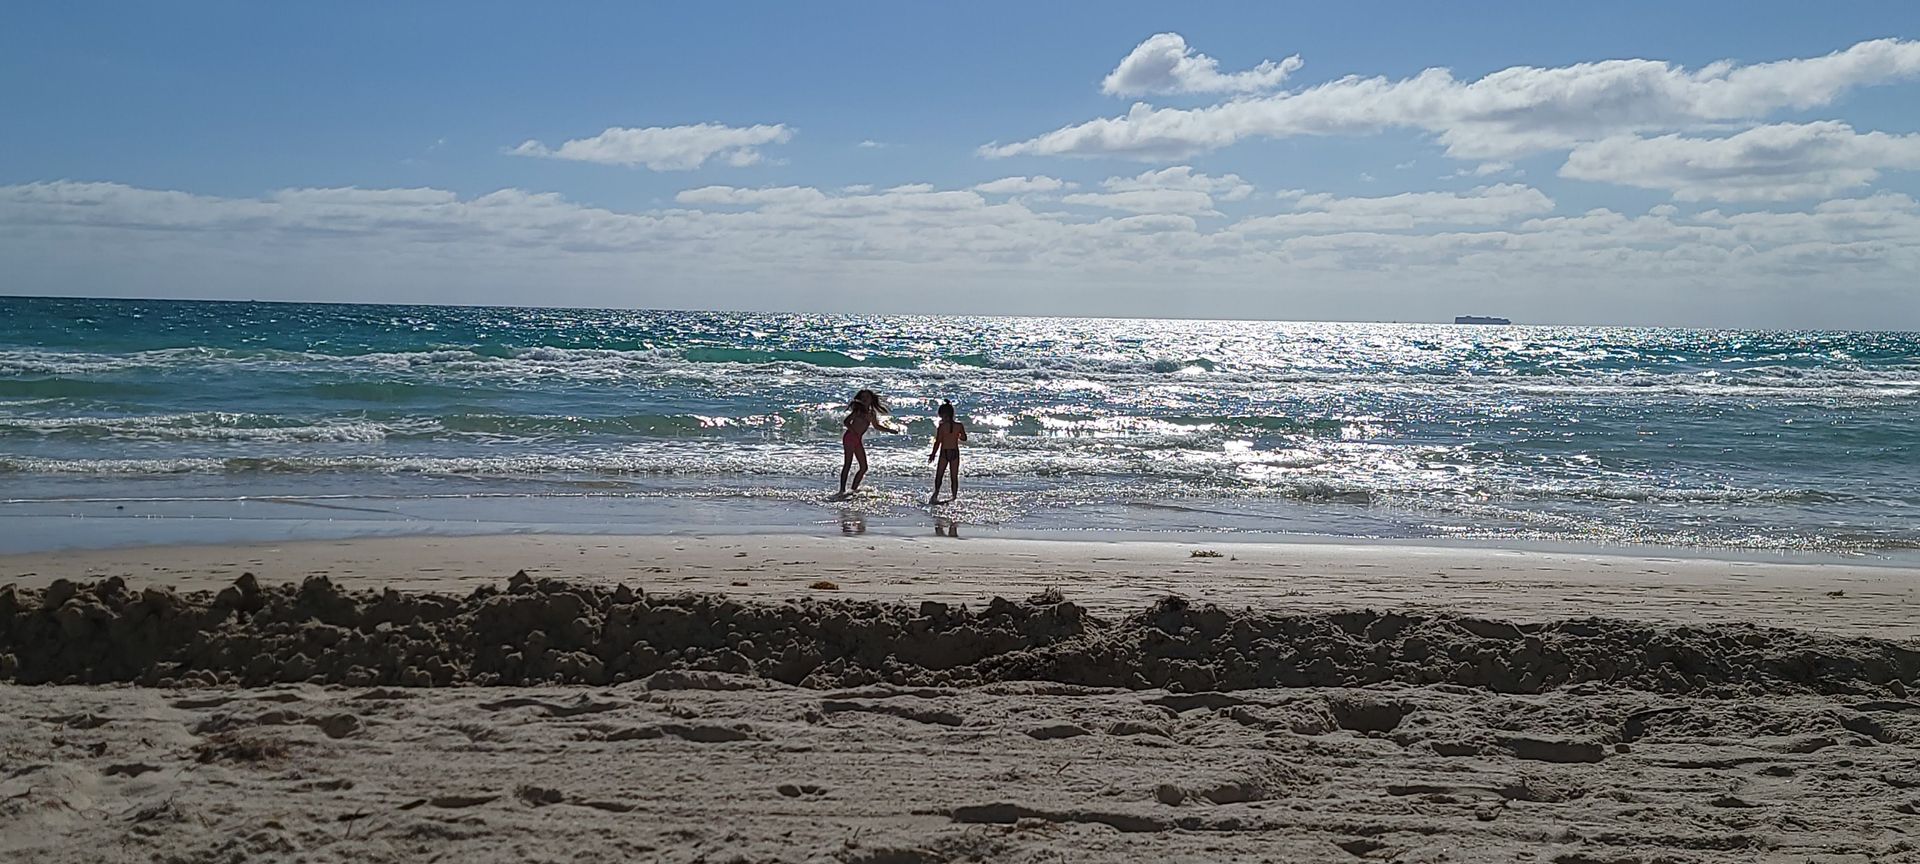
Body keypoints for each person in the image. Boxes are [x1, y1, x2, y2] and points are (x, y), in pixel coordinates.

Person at [838, 389, 896, 496]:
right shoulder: (858, 411)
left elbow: (876, 426)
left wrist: (890, 430)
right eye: (863, 397)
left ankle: (852, 490)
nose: (865, 399)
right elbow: (846, 422)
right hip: (850, 438)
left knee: (864, 467)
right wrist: (853, 431)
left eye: (867, 397)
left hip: (858, 440)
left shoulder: (871, 413)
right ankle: (842, 490)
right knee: (848, 464)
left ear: (871, 400)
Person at [927, 400, 968, 504]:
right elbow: (964, 438)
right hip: (955, 452)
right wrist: (957, 435)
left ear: (945, 415)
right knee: (954, 476)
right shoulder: (959, 425)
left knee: (939, 475)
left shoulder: (942, 427)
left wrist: (933, 454)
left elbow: (938, 442)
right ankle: (954, 497)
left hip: (944, 452)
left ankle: (936, 494)